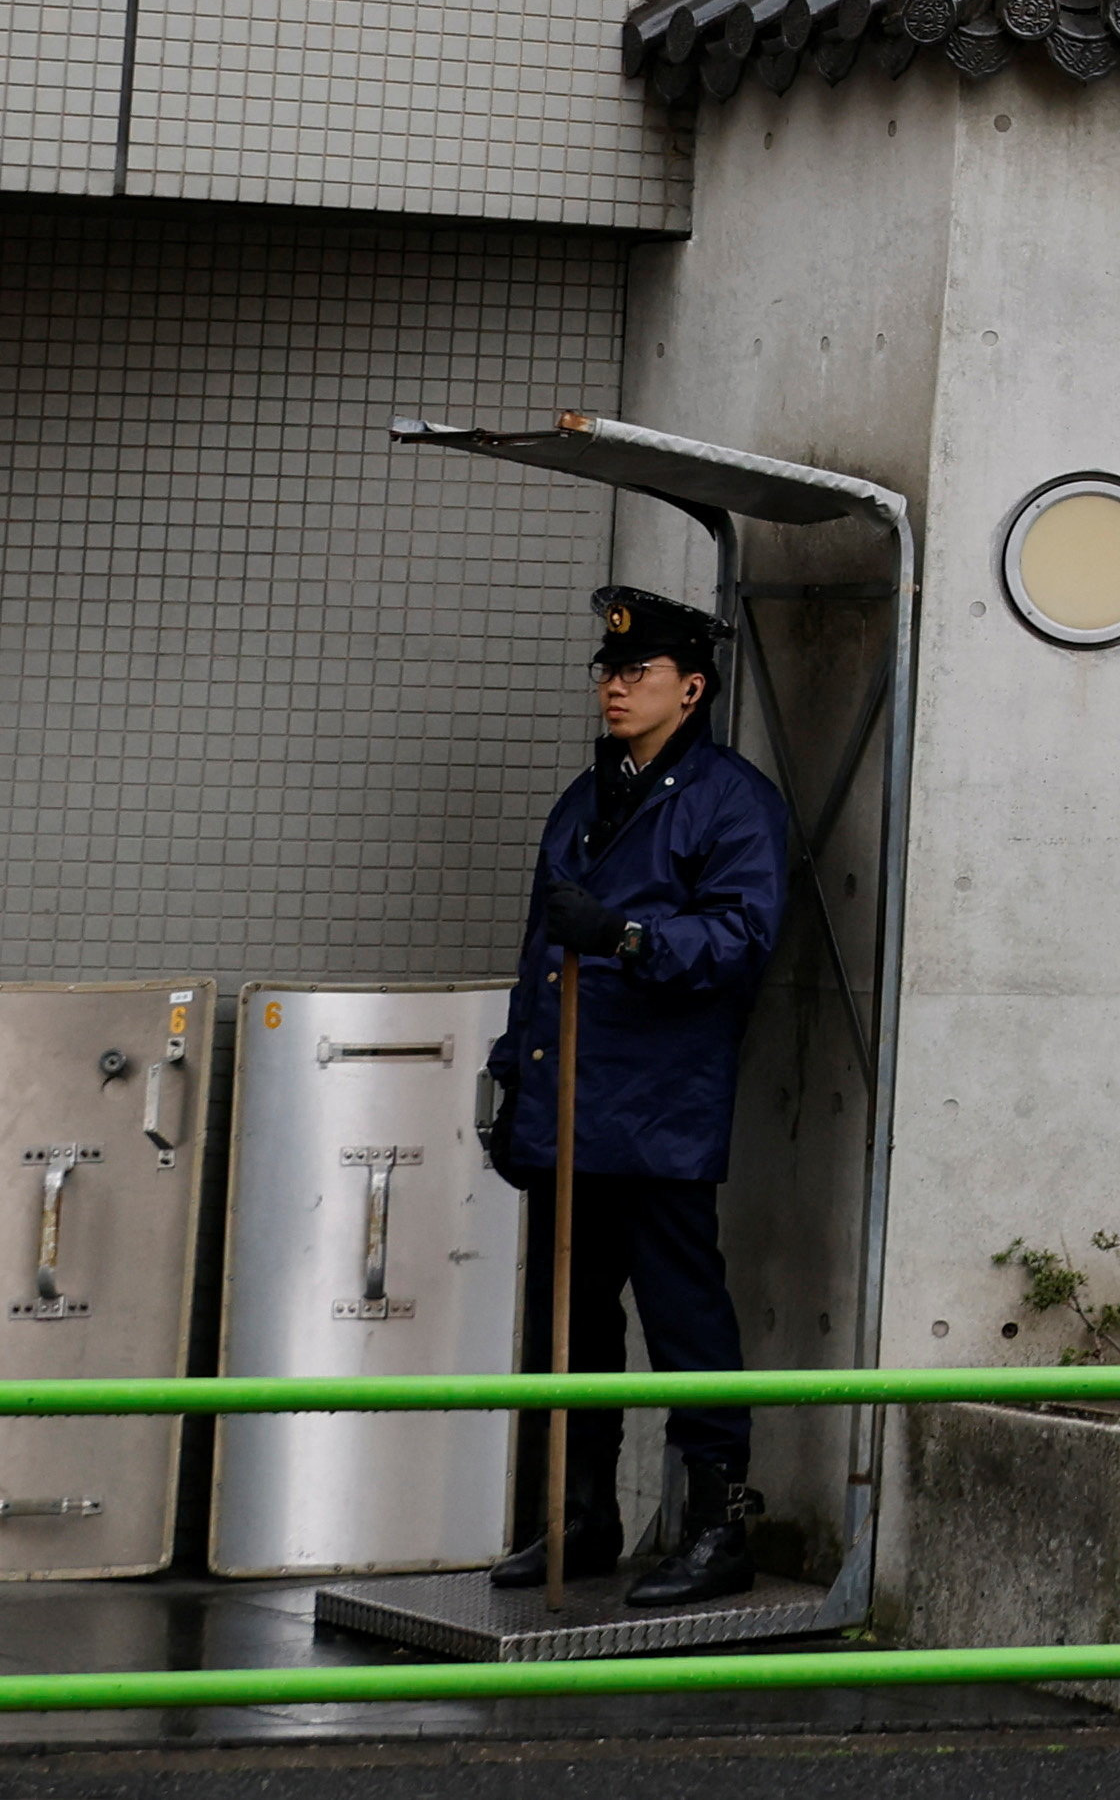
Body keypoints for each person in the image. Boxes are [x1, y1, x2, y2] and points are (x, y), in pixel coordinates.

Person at [482, 583, 793, 1606]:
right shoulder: (588, 797)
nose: (614, 689)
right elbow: (541, 952)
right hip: (567, 1102)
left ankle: (717, 1525)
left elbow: (741, 940)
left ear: (690, 688)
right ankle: (578, 1518)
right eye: (608, 673)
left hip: (656, 1107)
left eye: (638, 674)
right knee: (568, 1326)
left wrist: (624, 936)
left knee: (682, 1317)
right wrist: (508, 1071)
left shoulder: (730, 799)